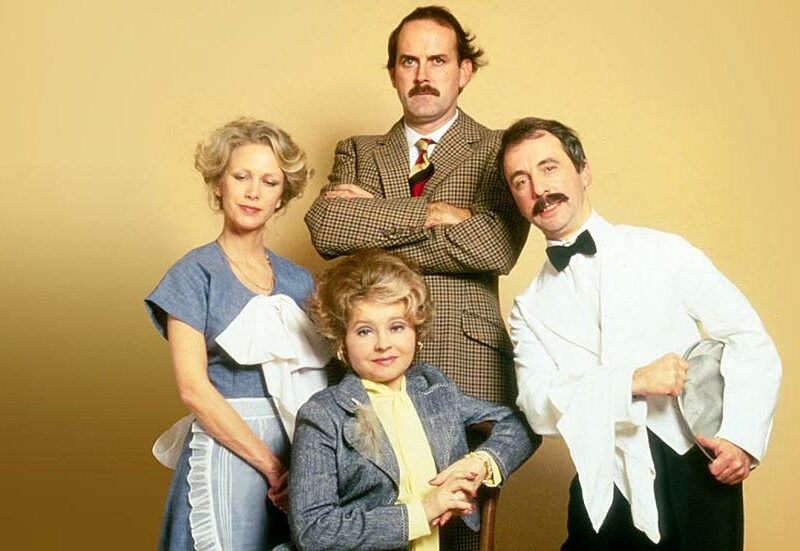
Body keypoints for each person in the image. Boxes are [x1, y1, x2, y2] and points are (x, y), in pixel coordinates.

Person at [500, 117, 782, 549]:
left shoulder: (664, 250)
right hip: (603, 485)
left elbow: (749, 338)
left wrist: (741, 440)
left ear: (584, 171)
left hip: (696, 471)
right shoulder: (528, 308)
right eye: (521, 181)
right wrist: (630, 382)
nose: (539, 188)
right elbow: (537, 406)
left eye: (549, 167)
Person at [305, 5, 528, 408]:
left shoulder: (499, 148)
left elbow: (494, 245)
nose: (422, 76)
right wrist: (434, 213)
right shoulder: (358, 151)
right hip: (369, 362)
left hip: (468, 360)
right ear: (393, 73)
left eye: (437, 60)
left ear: (464, 71)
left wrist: (374, 221)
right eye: (409, 61)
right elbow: (327, 228)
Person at [145, 118, 329, 549]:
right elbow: (193, 390)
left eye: (269, 181)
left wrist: (308, 470)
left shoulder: (301, 282)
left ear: (282, 197)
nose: (253, 192)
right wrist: (273, 467)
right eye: (241, 176)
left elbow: (326, 382)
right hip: (226, 452)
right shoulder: (193, 274)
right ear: (218, 185)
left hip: (298, 457)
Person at [288, 249, 540, 551]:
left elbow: (521, 423)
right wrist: (423, 512)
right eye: (365, 331)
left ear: (416, 331)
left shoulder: (433, 390)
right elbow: (313, 531)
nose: (383, 344)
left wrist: (480, 462)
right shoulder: (323, 414)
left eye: (396, 327)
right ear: (342, 341)